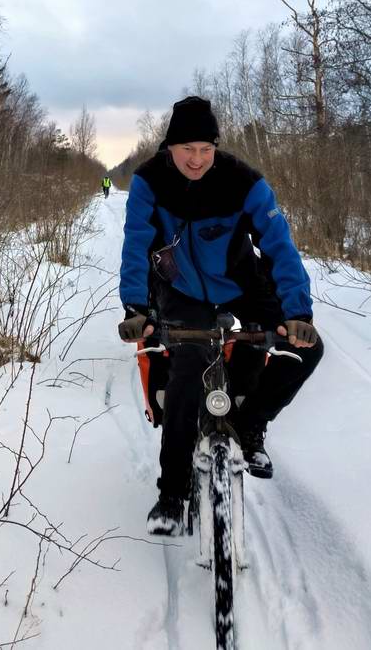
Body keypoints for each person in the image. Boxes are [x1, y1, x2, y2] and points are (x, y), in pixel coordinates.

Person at [118, 96, 323, 536]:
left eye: (206, 150)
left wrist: (297, 312)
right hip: (183, 289)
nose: (197, 160)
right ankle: (173, 494)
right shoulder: (150, 182)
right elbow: (136, 242)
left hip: (240, 284)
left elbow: (279, 245)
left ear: (216, 148)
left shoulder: (243, 181)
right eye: (187, 149)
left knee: (304, 348)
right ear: (170, 147)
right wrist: (136, 307)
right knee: (187, 369)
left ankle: (249, 428)